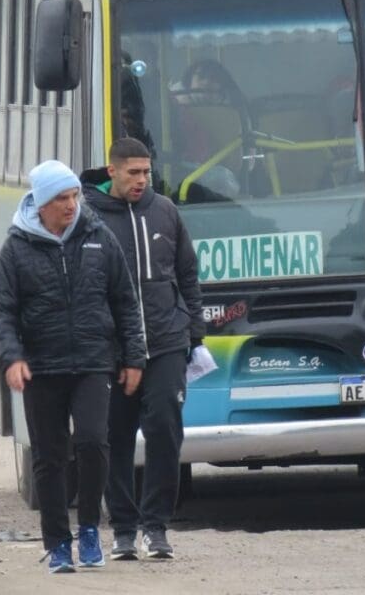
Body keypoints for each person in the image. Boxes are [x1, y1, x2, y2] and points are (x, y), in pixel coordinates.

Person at [0, 159, 146, 574]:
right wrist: (12, 357)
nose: (71, 204)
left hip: (94, 362)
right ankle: (58, 542)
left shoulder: (98, 236)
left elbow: (125, 301)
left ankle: (90, 528)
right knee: (49, 456)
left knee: (94, 442)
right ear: (41, 203)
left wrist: (134, 357)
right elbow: (1, 311)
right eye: (61, 198)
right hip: (41, 367)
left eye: (75, 195)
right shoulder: (16, 248)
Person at [81, 138, 205, 561]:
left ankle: (157, 526)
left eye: (147, 172)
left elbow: (187, 274)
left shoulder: (165, 211)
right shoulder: (89, 217)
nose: (141, 180)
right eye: (133, 172)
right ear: (112, 171)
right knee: (114, 437)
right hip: (114, 351)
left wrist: (195, 332)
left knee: (165, 429)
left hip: (167, 341)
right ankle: (123, 529)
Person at [169, 58, 248, 199]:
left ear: (222, 86)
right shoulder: (171, 109)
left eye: (214, 79)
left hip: (221, 175)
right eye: (201, 77)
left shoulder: (235, 111)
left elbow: (248, 158)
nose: (206, 83)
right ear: (188, 81)